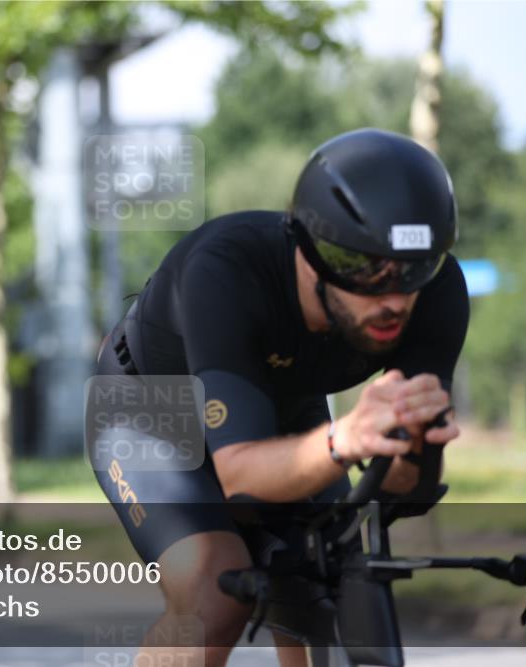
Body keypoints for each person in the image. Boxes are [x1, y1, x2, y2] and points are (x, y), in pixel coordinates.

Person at [86, 128, 469, 667]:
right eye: (364, 269)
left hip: (283, 413)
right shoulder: (227, 268)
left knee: (331, 591)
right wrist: (345, 438)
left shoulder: (437, 294)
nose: (392, 298)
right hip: (149, 413)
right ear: (311, 251)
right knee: (212, 585)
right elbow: (241, 477)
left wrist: (411, 449)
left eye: (414, 271)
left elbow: (407, 488)